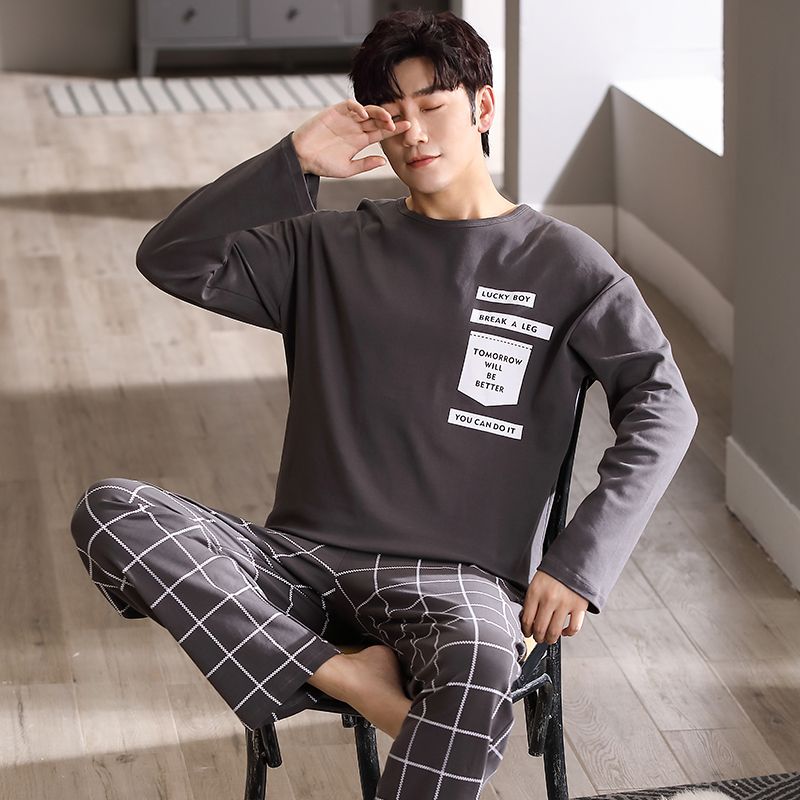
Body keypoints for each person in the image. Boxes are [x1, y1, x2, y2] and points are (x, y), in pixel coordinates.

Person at [69, 9, 698, 798]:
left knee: (481, 662)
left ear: (483, 106)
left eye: (433, 105)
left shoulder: (566, 265)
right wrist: (295, 160)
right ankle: (348, 676)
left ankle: (322, 672)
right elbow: (171, 257)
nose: (414, 132)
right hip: (298, 564)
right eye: (392, 114)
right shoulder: (324, 246)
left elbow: (664, 406)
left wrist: (578, 564)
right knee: (113, 512)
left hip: (460, 581)